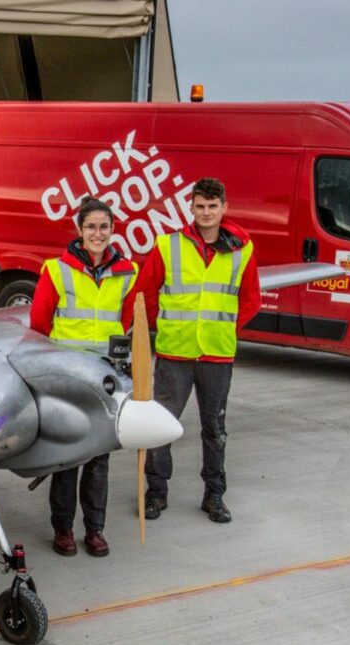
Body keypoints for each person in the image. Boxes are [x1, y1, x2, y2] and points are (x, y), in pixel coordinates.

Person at [132, 177, 261, 524]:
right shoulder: (169, 245)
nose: (206, 212)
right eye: (200, 206)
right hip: (175, 353)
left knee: (215, 429)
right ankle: (156, 493)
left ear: (224, 208)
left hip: (217, 355)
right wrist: (165, 327)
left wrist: (223, 329)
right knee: (161, 427)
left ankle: (214, 495)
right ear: (191, 208)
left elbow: (250, 300)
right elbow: (145, 293)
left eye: (212, 206)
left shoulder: (242, 249)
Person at [29, 197, 140, 557]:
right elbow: (39, 324)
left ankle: (95, 529)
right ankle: (63, 529)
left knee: (98, 458)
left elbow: (129, 322)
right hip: (67, 378)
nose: (97, 233)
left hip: (104, 378)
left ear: (112, 230)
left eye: (104, 227)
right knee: (68, 457)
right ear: (79, 230)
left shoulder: (128, 272)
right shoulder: (55, 269)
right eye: (90, 227)